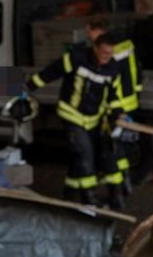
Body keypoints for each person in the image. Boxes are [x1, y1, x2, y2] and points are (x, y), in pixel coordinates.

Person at [23, 34, 122, 205]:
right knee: (85, 154)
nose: (107, 57)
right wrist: (29, 86)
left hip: (93, 120)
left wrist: (116, 115)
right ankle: (89, 198)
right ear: (95, 48)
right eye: (104, 53)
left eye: (110, 54)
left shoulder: (112, 68)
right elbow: (51, 72)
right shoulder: (77, 58)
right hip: (71, 115)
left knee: (80, 157)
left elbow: (113, 95)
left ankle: (70, 192)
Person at [79, 15, 142, 209]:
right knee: (119, 148)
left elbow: (106, 77)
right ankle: (125, 185)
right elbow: (137, 70)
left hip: (115, 106)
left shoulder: (107, 50)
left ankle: (117, 195)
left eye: (89, 31)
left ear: (97, 30)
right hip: (130, 101)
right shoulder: (125, 43)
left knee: (110, 150)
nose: (88, 36)